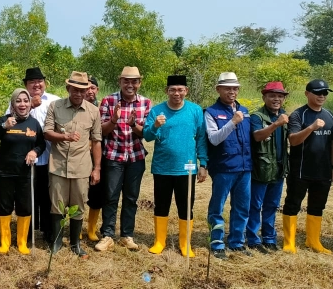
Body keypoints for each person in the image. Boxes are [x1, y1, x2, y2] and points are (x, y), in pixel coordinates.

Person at [142, 75, 207, 256]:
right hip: (162, 167)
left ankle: (185, 243)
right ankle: (159, 241)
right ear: (166, 91)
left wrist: (203, 163)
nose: (176, 93)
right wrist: (155, 126)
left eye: (180, 90)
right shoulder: (157, 111)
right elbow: (147, 136)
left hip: (187, 168)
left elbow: (201, 138)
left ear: (186, 91)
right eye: (172, 90)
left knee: (186, 206)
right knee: (161, 205)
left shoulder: (195, 111)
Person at [43, 71, 102, 258]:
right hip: (58, 165)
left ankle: (76, 243)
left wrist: (97, 168)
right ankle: (57, 241)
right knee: (57, 205)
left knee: (79, 205)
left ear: (88, 91)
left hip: (81, 166)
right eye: (75, 90)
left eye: (82, 90)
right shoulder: (55, 106)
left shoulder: (93, 111)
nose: (78, 94)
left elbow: (97, 141)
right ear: (68, 88)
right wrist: (64, 136)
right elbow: (47, 133)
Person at [95, 66, 151, 252]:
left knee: (131, 198)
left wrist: (134, 125)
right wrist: (113, 120)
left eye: (134, 81)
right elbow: (100, 132)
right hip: (113, 156)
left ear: (139, 83)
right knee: (110, 196)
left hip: (136, 157)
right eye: (126, 80)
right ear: (120, 82)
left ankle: (127, 235)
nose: (130, 84)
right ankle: (107, 235)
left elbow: (147, 133)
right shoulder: (109, 100)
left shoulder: (145, 103)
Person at [282, 79, 333, 254]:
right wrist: (311, 128)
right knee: (293, 204)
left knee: (317, 206)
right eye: (318, 92)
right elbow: (293, 140)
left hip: (323, 171)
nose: (322, 96)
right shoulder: (299, 115)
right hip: (300, 170)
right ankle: (289, 242)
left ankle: (313, 241)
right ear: (307, 94)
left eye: (325, 93)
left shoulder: (329, 115)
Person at [0, 88, 46, 254]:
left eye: (26, 101)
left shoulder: (34, 123)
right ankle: (5, 243)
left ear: (30, 103)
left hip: (25, 174)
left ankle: (22, 243)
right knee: (4, 207)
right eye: (18, 101)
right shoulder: (5, 120)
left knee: (25, 207)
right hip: (3, 172)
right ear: (13, 104)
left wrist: (34, 151)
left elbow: (41, 144)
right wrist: (3, 127)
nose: (23, 104)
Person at [205, 72, 252, 259]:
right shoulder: (211, 112)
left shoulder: (245, 110)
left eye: (235, 88)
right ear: (218, 89)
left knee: (242, 207)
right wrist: (232, 122)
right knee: (217, 207)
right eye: (227, 88)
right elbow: (214, 139)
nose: (232, 91)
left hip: (244, 167)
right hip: (223, 167)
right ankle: (216, 243)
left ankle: (236, 242)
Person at [13, 68, 59, 246]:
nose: (36, 85)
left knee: (47, 196)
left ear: (45, 83)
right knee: (26, 196)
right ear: (26, 85)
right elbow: (10, 119)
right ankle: (28, 232)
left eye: (39, 81)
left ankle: (48, 231)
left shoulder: (55, 101)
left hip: (49, 156)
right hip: (25, 158)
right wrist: (30, 104)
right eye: (32, 82)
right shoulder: (20, 100)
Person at [246, 82, 290, 252]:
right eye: (272, 95)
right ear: (264, 97)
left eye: (280, 96)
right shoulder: (257, 116)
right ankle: (252, 238)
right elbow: (257, 136)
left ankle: (269, 238)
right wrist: (276, 124)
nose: (276, 99)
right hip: (261, 169)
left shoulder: (285, 115)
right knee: (255, 205)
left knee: (272, 205)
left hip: (279, 168)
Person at [85, 76, 104, 241]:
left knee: (96, 194)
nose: (90, 91)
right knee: (77, 193)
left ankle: (91, 229)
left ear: (97, 90)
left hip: (99, 156)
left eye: (93, 88)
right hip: (79, 156)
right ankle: (75, 227)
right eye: (87, 88)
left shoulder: (103, 108)